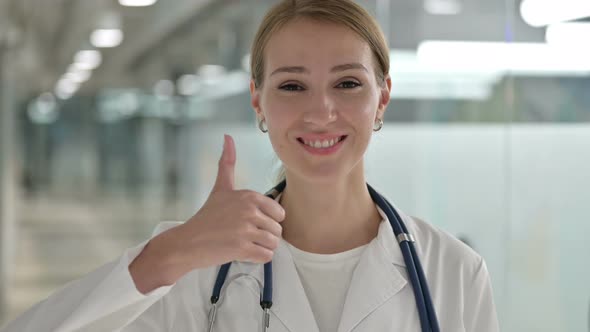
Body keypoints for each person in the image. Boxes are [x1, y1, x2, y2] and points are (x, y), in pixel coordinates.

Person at [1, 0, 500, 331]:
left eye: (347, 83)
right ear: (257, 103)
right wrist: (171, 251)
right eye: (291, 85)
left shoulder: (452, 271)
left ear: (383, 98)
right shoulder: (197, 266)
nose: (321, 111)